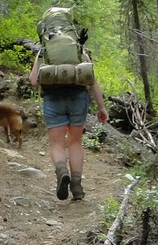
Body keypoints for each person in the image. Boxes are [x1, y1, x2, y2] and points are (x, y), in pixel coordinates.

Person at [29, 51, 108, 201]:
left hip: (52, 99)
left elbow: (34, 81)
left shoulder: (44, 51)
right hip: (78, 98)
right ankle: (77, 186)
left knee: (57, 144)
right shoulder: (79, 50)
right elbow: (92, 81)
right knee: (75, 143)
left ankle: (62, 171)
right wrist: (101, 107)